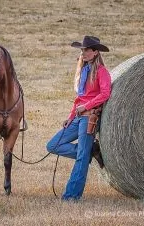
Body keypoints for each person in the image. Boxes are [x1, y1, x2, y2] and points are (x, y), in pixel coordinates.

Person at [46, 36, 111, 201]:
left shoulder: (102, 72)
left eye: (87, 50)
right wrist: (70, 116)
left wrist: (87, 106)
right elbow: (79, 98)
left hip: (89, 118)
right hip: (77, 117)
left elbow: (105, 94)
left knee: (81, 158)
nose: (84, 53)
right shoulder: (84, 71)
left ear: (95, 52)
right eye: (82, 50)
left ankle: (71, 196)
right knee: (53, 145)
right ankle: (88, 151)